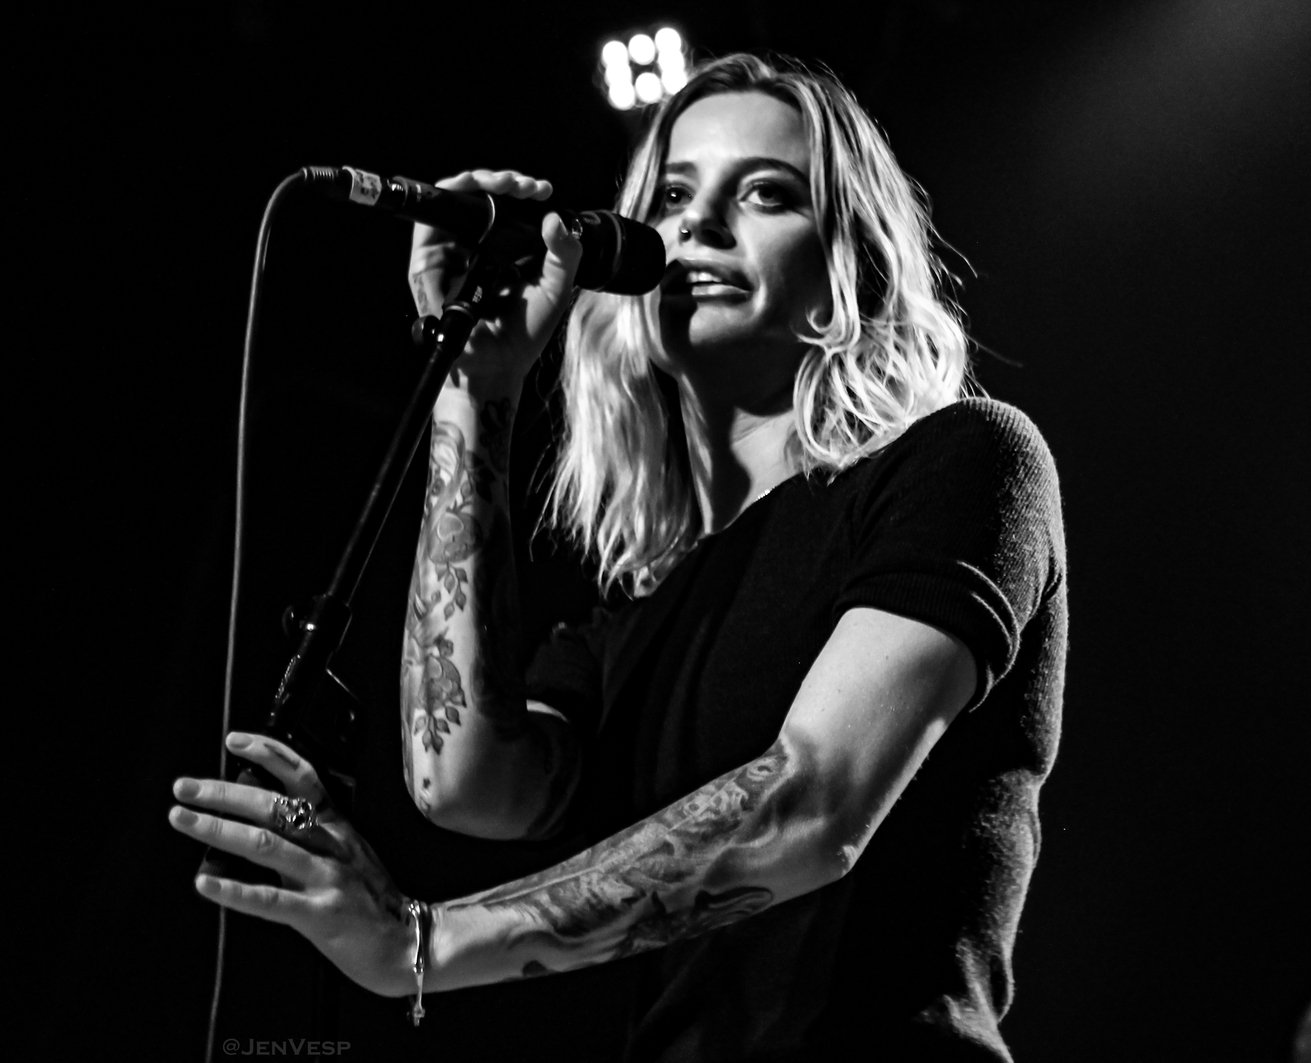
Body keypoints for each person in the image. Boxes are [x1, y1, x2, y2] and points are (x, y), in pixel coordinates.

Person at [171, 53, 1067, 1062]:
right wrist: (478, 387)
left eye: (766, 193)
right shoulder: (639, 617)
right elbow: (459, 779)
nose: (700, 225)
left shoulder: (966, 461)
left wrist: (420, 942)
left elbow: (812, 805)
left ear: (849, 271)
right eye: (673, 196)